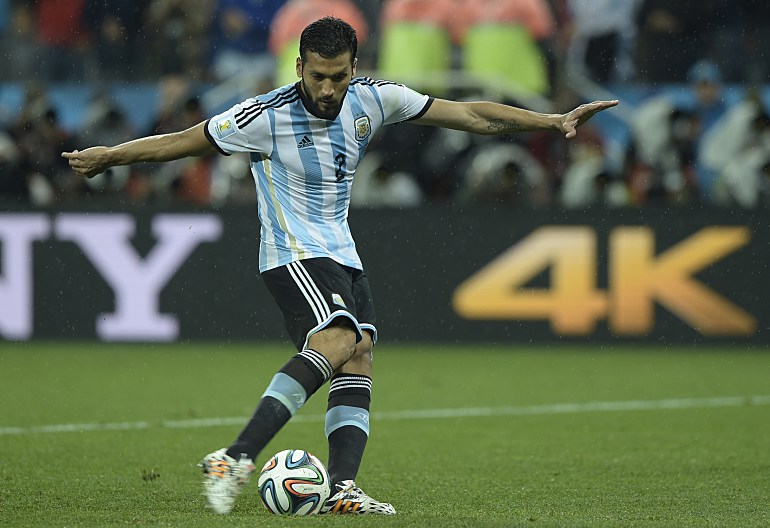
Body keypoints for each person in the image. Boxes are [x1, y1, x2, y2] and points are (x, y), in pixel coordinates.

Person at [62, 16, 617, 516]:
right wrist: (112, 156)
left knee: (359, 356)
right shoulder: (264, 116)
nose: (328, 89)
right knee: (336, 339)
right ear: (299, 67)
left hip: (342, 252)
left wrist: (551, 121)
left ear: (355, 67)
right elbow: (184, 142)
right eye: (317, 77)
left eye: (339, 77)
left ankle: (342, 489)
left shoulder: (373, 98)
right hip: (293, 252)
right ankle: (233, 459)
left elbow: (468, 113)